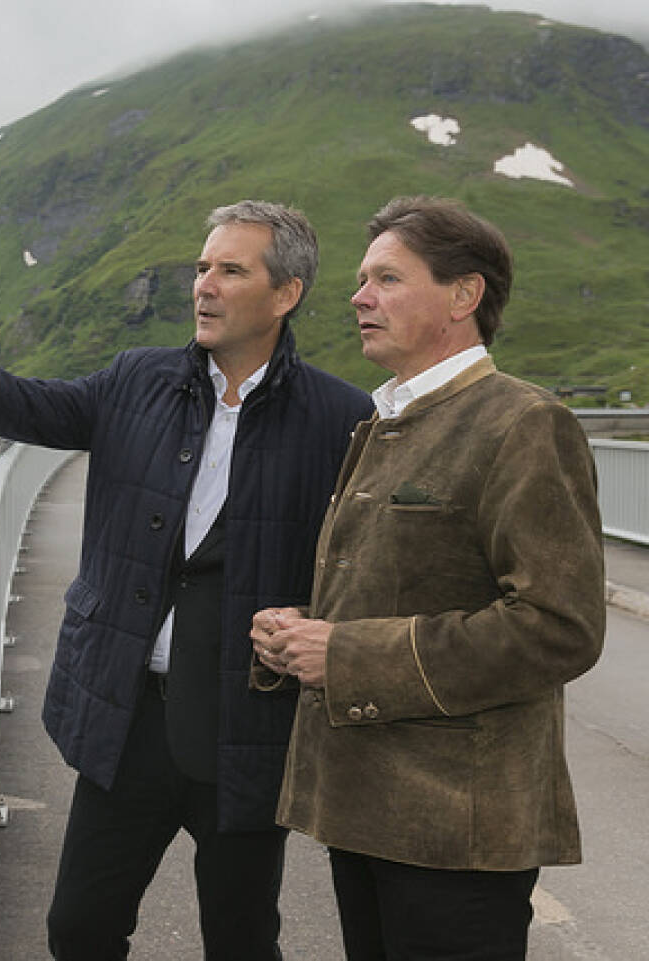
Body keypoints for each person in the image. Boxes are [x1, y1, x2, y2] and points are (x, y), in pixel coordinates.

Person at [0, 200, 373, 960]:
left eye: (230, 270)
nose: (204, 285)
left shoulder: (338, 416)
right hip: (130, 718)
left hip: (248, 728)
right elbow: (19, 403)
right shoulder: (137, 380)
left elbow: (361, 560)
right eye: (202, 267)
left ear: (286, 292)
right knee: (80, 929)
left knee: (241, 938)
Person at [251, 196, 605, 961]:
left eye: (386, 278)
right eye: (361, 279)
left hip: (458, 830)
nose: (358, 297)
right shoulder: (383, 423)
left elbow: (559, 623)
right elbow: (396, 590)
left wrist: (345, 655)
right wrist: (300, 634)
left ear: (463, 295)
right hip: (368, 811)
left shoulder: (522, 423)